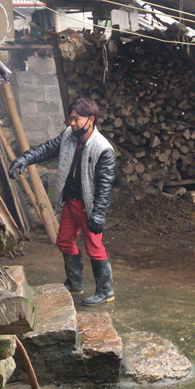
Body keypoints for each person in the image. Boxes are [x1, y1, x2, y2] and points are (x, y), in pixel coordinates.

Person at [9, 98, 117, 306]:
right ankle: (75, 283)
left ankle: (105, 291)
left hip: (89, 207)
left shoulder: (103, 148)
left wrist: (98, 213)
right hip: (71, 203)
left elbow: (105, 185)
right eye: (71, 118)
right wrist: (24, 159)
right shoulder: (69, 136)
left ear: (91, 119)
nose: (72, 123)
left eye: (76, 119)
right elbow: (47, 149)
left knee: (94, 247)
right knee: (65, 241)